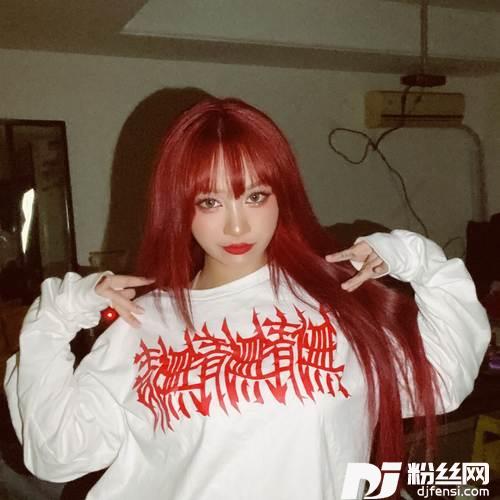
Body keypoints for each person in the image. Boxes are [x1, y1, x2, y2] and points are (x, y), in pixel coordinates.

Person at [3, 97, 491, 500]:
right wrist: (56, 318)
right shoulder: (143, 324)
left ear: (283, 196)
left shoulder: (337, 305)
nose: (236, 226)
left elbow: (443, 380)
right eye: (210, 202)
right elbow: (60, 455)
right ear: (179, 208)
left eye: (255, 197)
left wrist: (417, 261)